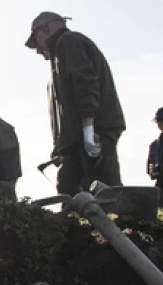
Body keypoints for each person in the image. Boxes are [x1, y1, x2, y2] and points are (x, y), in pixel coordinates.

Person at [25, 12, 125, 196]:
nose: (38, 50)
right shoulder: (58, 59)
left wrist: (89, 130)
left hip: (95, 130)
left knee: (103, 189)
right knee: (69, 190)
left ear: (45, 30)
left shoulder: (68, 42)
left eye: (35, 42)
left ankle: (129, 223)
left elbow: (85, 84)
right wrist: (61, 148)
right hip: (76, 140)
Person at [147, 108, 163, 198]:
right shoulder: (154, 146)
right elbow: (150, 170)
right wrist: (153, 171)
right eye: (158, 121)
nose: (160, 123)